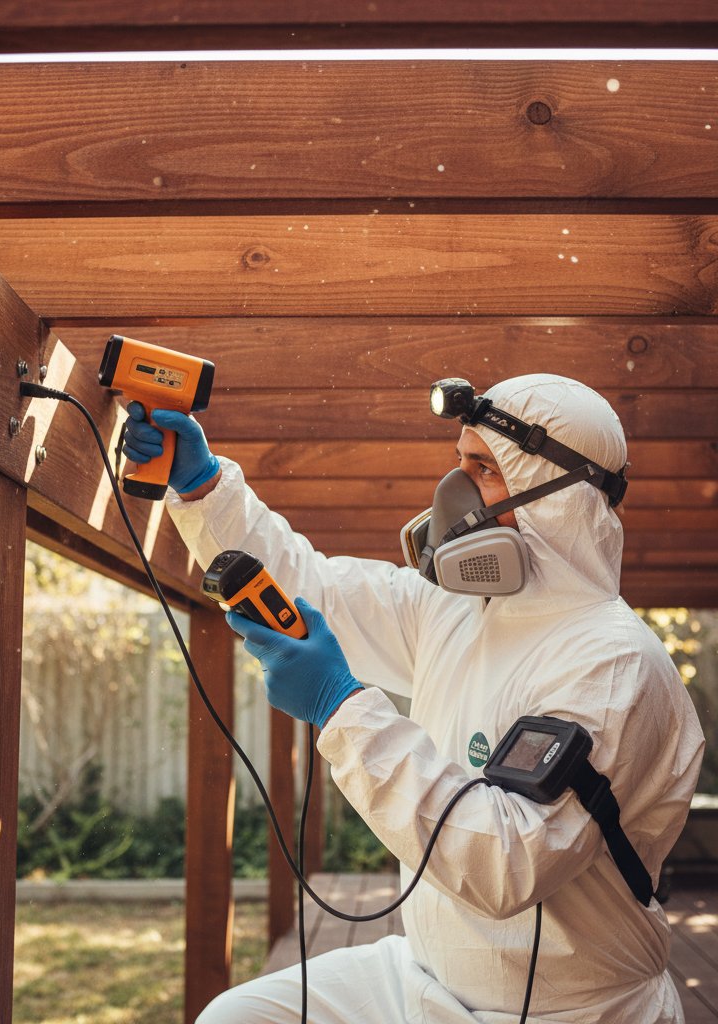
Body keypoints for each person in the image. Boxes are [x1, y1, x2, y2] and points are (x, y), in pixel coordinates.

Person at [122, 373, 704, 1024]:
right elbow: (314, 588)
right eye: (457, 463)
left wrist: (343, 710)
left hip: (572, 1011)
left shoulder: (612, 664)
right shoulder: (453, 609)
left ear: (560, 496)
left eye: (482, 469)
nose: (452, 494)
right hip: (424, 980)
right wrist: (203, 487)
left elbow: (504, 865)